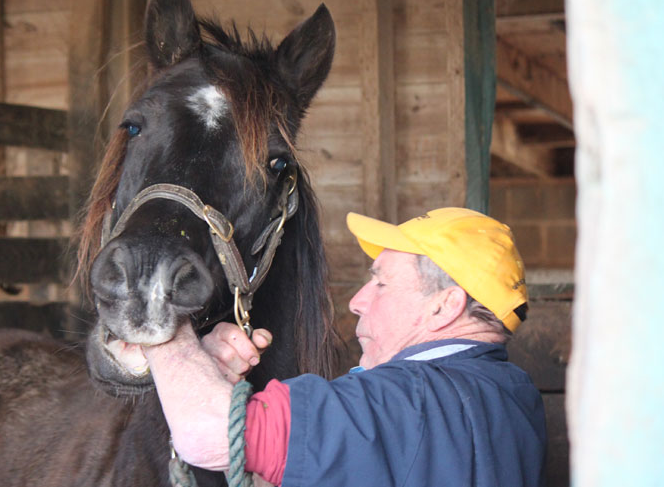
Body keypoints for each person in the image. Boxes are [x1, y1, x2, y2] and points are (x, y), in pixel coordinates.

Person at [143, 207, 547, 486]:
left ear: (446, 305)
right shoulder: (512, 392)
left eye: (381, 283)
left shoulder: (404, 402)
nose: (357, 301)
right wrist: (209, 383)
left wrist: (162, 330)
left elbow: (208, 435)